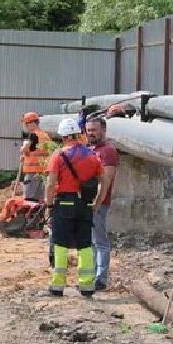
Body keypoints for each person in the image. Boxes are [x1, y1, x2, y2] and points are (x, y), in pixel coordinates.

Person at [44, 119, 103, 297]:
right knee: (84, 245)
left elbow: (50, 183)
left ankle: (57, 286)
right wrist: (97, 203)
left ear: (63, 136)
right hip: (85, 204)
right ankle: (86, 286)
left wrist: (48, 205)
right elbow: (103, 181)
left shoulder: (59, 155)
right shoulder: (93, 155)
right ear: (78, 134)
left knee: (60, 245)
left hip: (65, 203)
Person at [83, 114, 119, 291]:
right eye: (88, 130)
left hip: (99, 203)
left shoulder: (108, 151)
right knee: (89, 241)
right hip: (86, 201)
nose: (91, 133)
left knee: (100, 241)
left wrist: (98, 202)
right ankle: (91, 274)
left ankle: (101, 278)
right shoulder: (89, 149)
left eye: (94, 130)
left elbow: (107, 180)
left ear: (103, 130)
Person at [18, 112, 53, 201]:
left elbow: (25, 149)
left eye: (27, 124)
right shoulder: (45, 135)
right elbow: (35, 150)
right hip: (43, 172)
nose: (26, 127)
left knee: (29, 198)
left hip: (32, 172)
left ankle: (28, 215)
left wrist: (22, 149)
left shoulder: (33, 135)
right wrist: (26, 154)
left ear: (33, 123)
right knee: (40, 200)